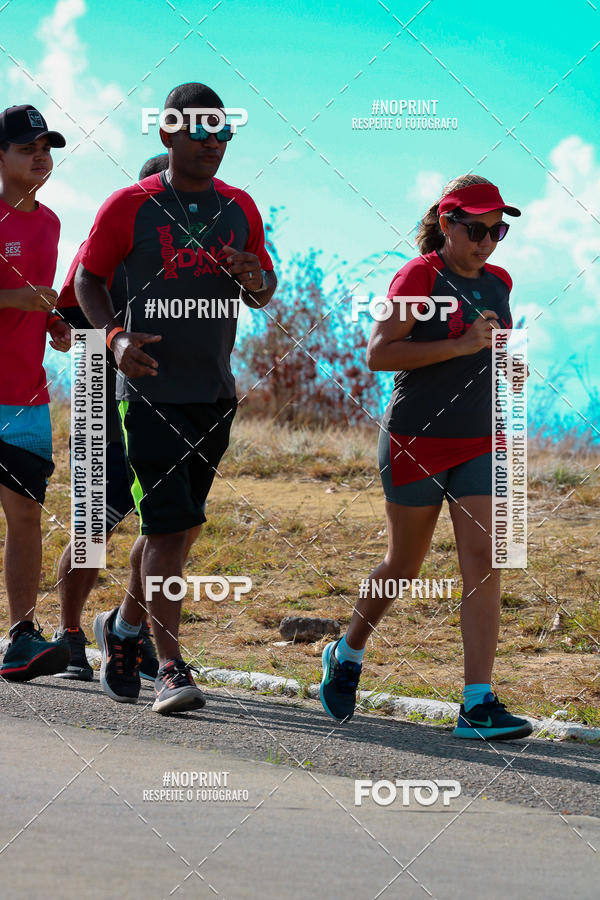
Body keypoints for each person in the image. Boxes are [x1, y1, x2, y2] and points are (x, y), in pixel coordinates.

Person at [75, 82, 277, 714]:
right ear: (166, 134)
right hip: (150, 391)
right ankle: (169, 666)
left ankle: (124, 629)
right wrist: (112, 337)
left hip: (214, 391)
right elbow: (87, 277)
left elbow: (263, 290)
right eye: (200, 132)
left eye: (224, 134)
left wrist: (255, 277)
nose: (214, 144)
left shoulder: (241, 206)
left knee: (179, 529)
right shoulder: (128, 206)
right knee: (166, 532)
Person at [320, 175, 532, 741]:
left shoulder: (499, 282)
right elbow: (379, 354)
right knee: (403, 568)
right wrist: (462, 345)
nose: (487, 241)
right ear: (447, 223)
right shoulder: (420, 275)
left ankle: (477, 704)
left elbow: (501, 344)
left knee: (485, 560)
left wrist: (511, 367)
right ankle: (346, 652)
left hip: (482, 438)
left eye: (498, 230)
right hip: (416, 439)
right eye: (477, 229)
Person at [52, 154, 175, 682]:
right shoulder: (113, 228)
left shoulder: (194, 243)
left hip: (161, 398)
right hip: (99, 390)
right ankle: (70, 637)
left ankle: (126, 630)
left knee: (163, 525)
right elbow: (71, 315)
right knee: (93, 524)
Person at [0, 104, 72, 681]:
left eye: (46, 146)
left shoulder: (49, 225)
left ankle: (22, 635)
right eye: (26, 148)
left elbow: (42, 303)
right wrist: (12, 299)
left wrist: (55, 325)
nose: (40, 156)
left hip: (26, 396)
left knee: (25, 514)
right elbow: (20, 297)